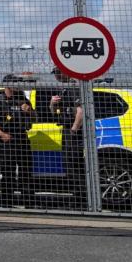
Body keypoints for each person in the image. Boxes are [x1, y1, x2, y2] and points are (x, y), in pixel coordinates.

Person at [0, 74, 35, 207]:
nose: (18, 86)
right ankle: (7, 203)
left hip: (22, 139)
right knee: (8, 173)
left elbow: (34, 118)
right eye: (15, 83)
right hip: (7, 141)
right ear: (7, 84)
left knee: (26, 173)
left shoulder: (23, 100)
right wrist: (2, 134)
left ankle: (29, 203)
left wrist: (29, 111)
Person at [51, 68, 86, 204]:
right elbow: (55, 113)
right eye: (55, 73)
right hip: (65, 130)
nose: (57, 76)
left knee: (75, 165)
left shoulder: (74, 86)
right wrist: (52, 103)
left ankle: (82, 198)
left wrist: (73, 130)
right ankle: (78, 196)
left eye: (58, 73)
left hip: (73, 133)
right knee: (69, 165)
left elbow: (80, 111)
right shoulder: (64, 89)